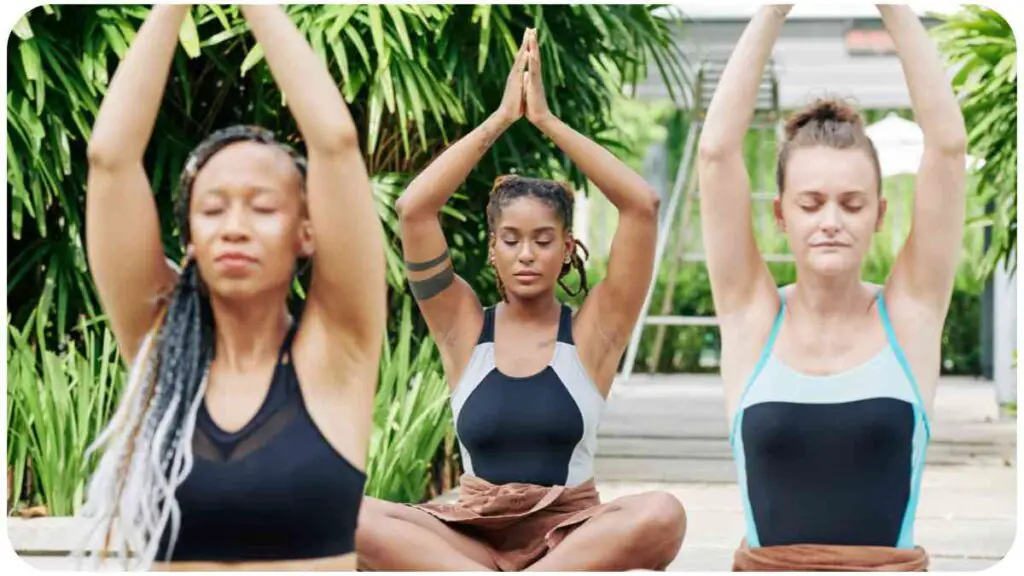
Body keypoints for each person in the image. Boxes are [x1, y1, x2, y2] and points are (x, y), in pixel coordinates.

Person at [355, 28, 686, 571]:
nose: (526, 254)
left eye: (542, 240)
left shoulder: (595, 331)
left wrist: (547, 122)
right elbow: (415, 209)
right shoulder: (461, 326)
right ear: (492, 250)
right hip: (472, 538)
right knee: (346, 513)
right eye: (511, 240)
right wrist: (502, 118)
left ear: (567, 250)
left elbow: (641, 205)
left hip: (572, 537)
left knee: (662, 512)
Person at [71, 4, 385, 571]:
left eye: (263, 207)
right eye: (212, 210)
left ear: (306, 232)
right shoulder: (160, 346)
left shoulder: (338, 350)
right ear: (189, 236)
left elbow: (336, 142)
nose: (235, 226)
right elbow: (110, 159)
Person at [697, 4, 967, 572]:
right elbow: (717, 153)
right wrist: (774, 8)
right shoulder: (751, 318)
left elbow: (945, 148)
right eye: (811, 202)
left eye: (851, 203)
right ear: (780, 214)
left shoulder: (911, 314)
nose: (831, 220)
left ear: (878, 214)